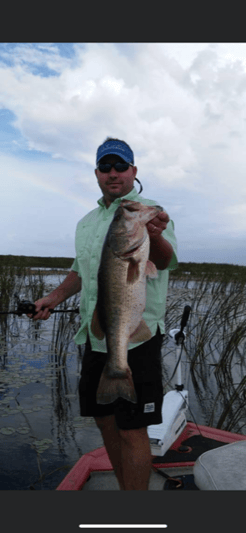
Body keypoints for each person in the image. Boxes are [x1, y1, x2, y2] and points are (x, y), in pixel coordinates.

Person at [29, 137, 178, 490]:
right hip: (97, 336)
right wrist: (52, 297)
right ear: (97, 173)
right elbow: (80, 271)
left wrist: (153, 235)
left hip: (138, 335)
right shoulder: (86, 223)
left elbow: (164, 260)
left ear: (133, 171)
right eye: (106, 167)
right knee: (105, 422)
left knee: (132, 428)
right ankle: (127, 489)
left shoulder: (152, 213)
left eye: (121, 166)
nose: (114, 173)